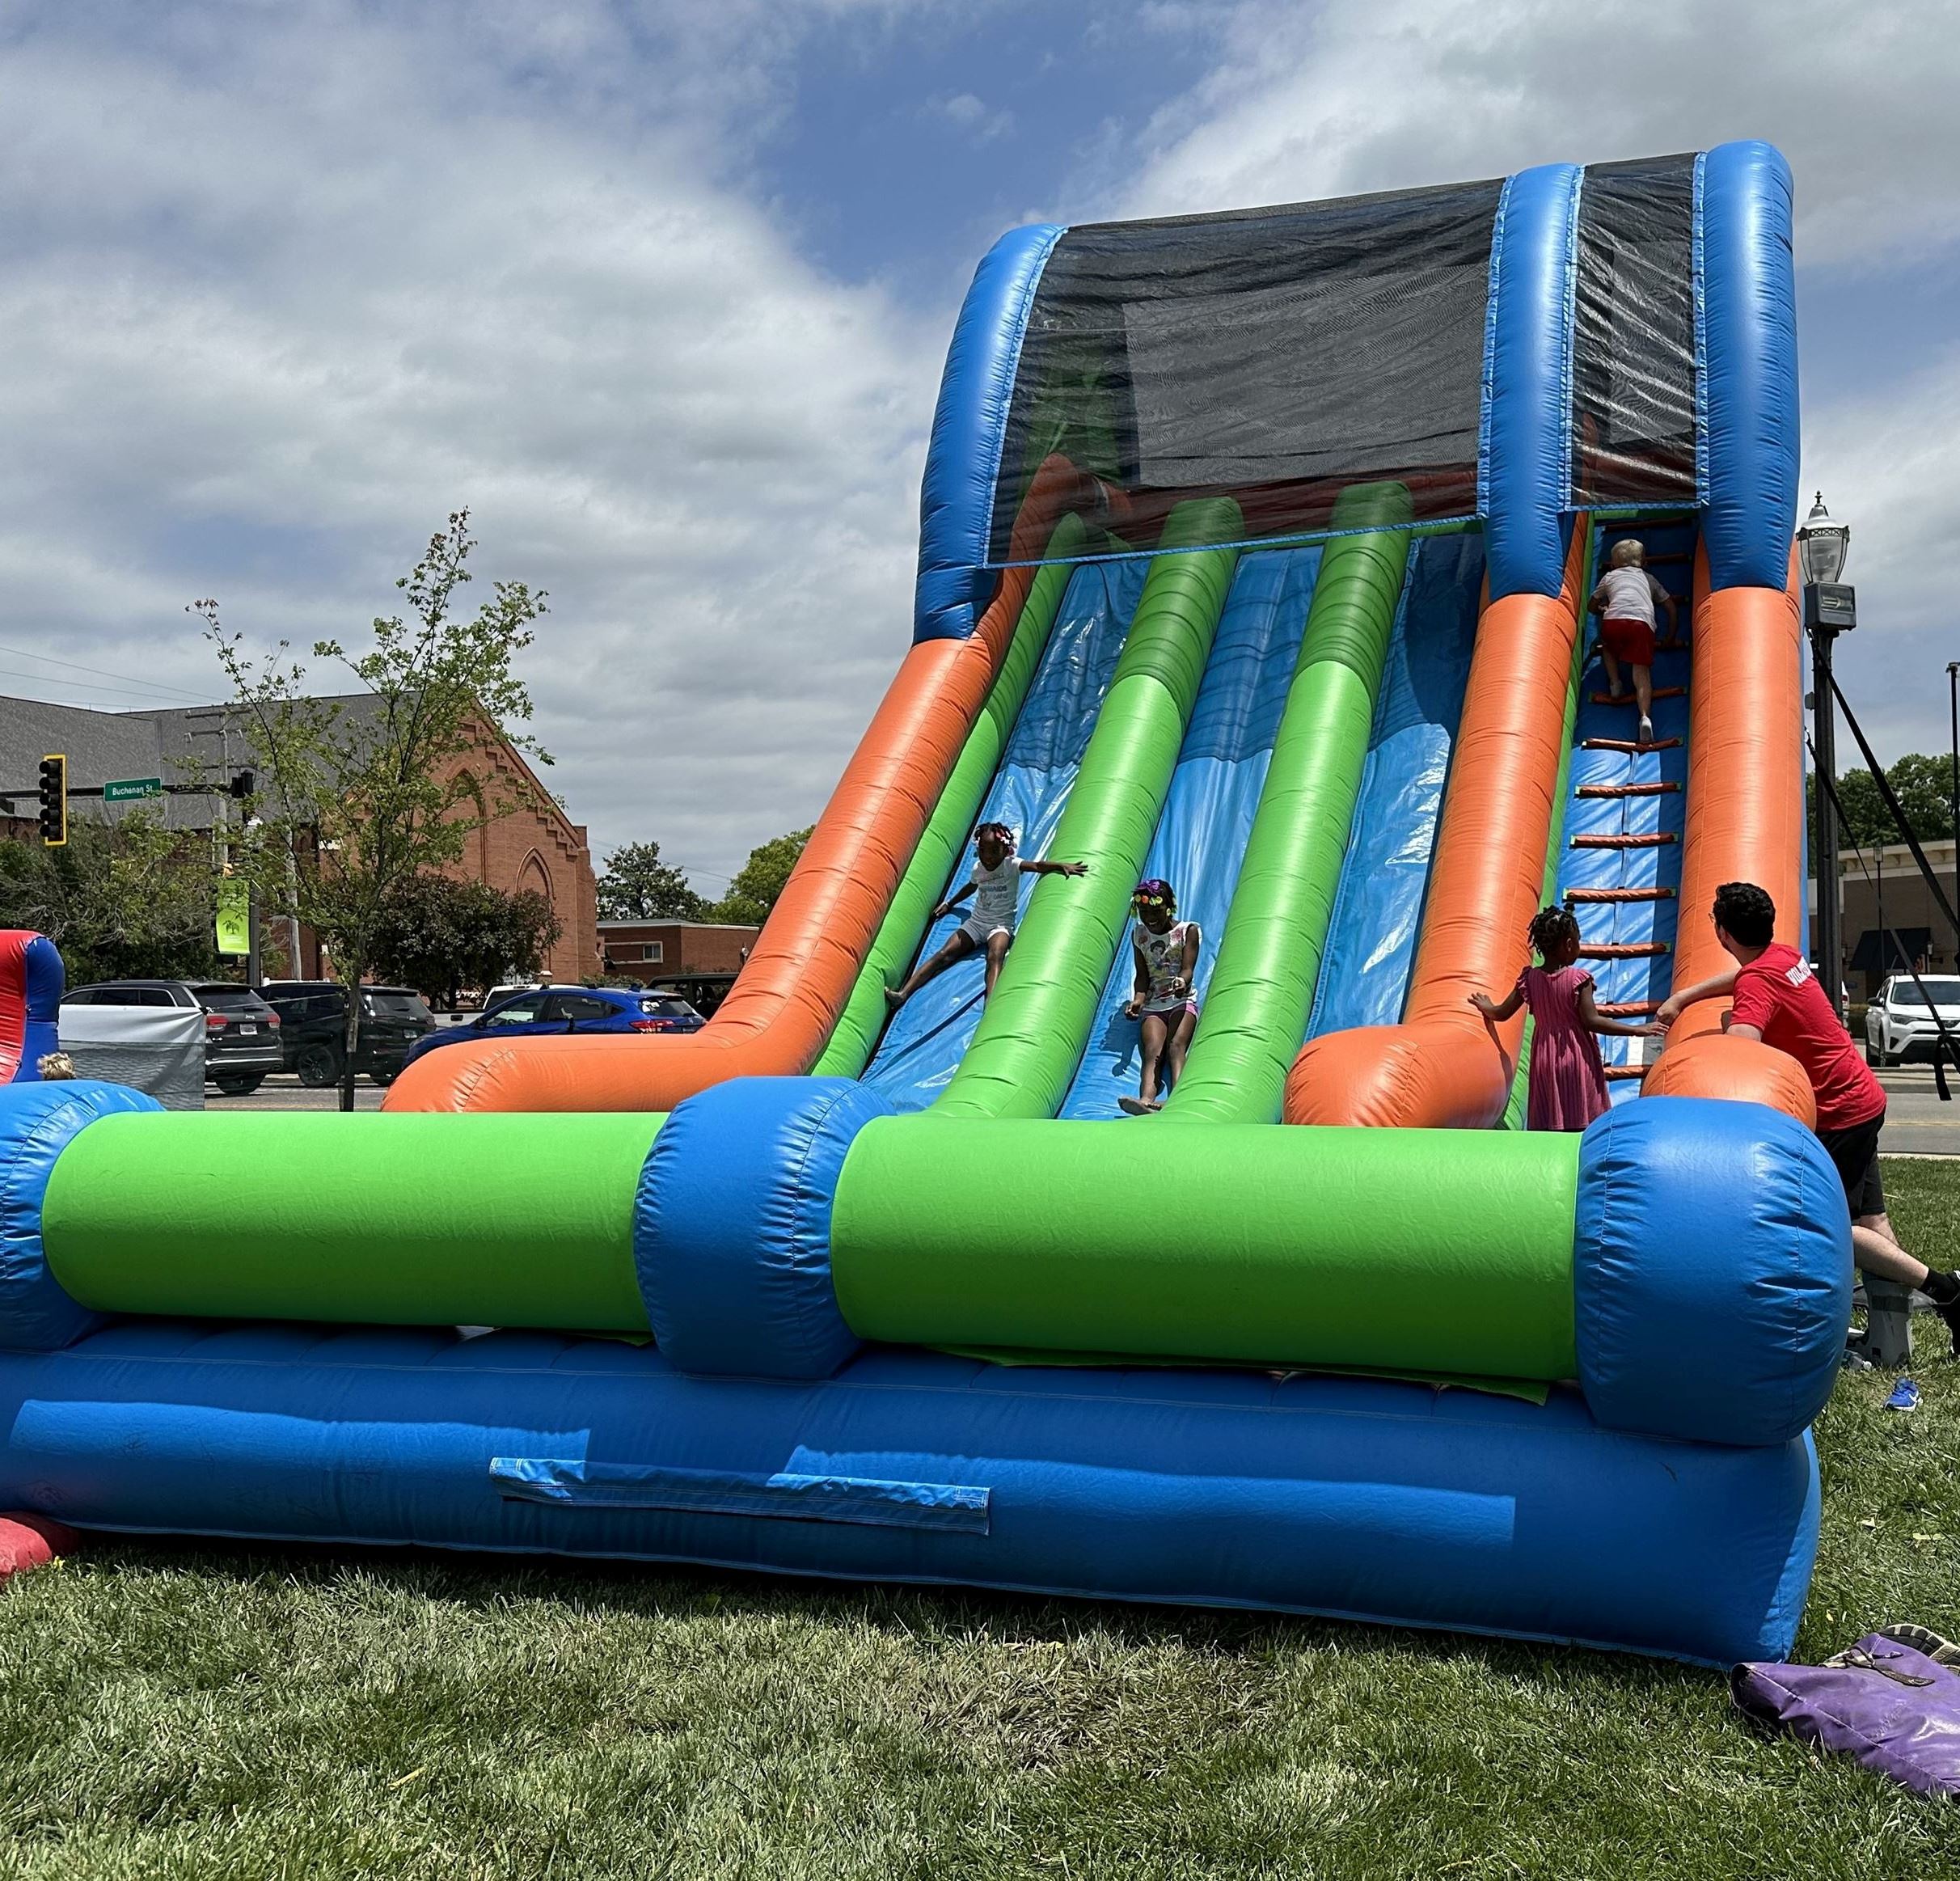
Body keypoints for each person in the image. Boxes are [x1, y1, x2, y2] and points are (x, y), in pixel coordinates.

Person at [1657, 880, 1960, 1353]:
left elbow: (1742, 1049)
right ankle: (1891, 1344)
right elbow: (1747, 976)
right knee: (1873, 1222)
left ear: (1721, 933)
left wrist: (1722, 1028)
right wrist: (1686, 996)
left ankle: (1946, 1291)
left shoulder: (1756, 981)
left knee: (1830, 1226)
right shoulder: (1784, 957)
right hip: (1862, 1097)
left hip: (1838, 1113)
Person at [1468, 905, 1665, 1131]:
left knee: (1552, 1116)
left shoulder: (1530, 979)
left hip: (1545, 1060)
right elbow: (1592, 1021)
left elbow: (1502, 1013)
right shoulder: (1578, 979)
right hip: (1576, 1056)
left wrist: (1487, 1007)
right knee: (1583, 1118)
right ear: (1569, 945)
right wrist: (1637, 1030)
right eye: (1578, 941)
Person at [885, 822, 1087, 1012]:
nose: (987, 857)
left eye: (993, 851)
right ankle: (903, 994)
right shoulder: (978, 869)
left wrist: (1061, 866)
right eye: (983, 851)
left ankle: (991, 1006)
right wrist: (949, 903)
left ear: (1005, 850)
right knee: (943, 954)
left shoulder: (1011, 865)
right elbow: (971, 887)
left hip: (1000, 924)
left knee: (995, 955)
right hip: (977, 922)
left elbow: (1038, 866)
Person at [1117, 878, 1201, 1115]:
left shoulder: (1187, 931)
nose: (1149, 917)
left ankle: (1177, 1100)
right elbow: (1142, 977)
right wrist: (1138, 1000)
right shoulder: (1139, 935)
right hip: (1155, 1004)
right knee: (1153, 1049)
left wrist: (1182, 981)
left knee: (1176, 1046)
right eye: (1143, 911)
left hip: (1182, 1000)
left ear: (1168, 908)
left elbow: (1187, 968)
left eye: (1155, 910)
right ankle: (1145, 1101)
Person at [1589, 539, 1677, 746]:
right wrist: (1670, 637)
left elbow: (1592, 606)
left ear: (1612, 564)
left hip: (1613, 621)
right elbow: (1671, 608)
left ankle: (1615, 683)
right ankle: (1645, 717)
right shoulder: (1649, 579)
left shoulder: (1610, 577)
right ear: (1644, 563)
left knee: (1608, 648)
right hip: (1642, 624)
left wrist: (1602, 609)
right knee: (1641, 671)